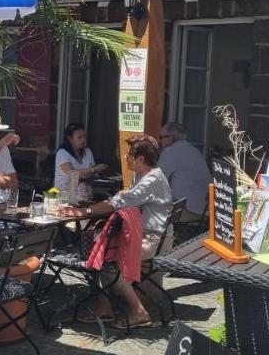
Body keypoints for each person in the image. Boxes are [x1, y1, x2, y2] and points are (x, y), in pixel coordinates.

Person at [61, 134, 173, 329]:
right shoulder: (143, 175)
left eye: (129, 155)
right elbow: (125, 199)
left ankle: (139, 312)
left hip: (152, 239)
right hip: (144, 233)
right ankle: (104, 307)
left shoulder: (152, 179)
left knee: (110, 260)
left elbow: (120, 202)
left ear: (140, 159)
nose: (125, 158)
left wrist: (85, 211)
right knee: (100, 251)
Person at [158, 121, 210, 217]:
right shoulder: (194, 150)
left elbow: (157, 181)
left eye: (161, 137)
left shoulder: (170, 152)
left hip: (187, 211)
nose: (160, 141)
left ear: (170, 139)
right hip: (205, 211)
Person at [54, 122, 108, 204]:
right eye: (79, 137)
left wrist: (100, 171)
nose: (83, 140)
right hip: (65, 193)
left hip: (86, 191)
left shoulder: (87, 151)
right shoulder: (62, 153)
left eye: (84, 137)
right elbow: (72, 174)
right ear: (69, 138)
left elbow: (94, 173)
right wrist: (94, 169)